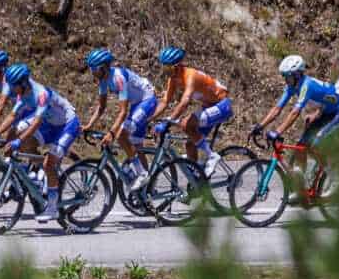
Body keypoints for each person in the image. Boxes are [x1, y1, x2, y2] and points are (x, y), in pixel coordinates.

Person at [0, 61, 79, 218]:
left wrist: (17, 141)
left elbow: (36, 123)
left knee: (50, 162)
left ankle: (53, 207)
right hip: (51, 124)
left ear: (23, 83)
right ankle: (39, 173)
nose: (12, 90)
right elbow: (12, 116)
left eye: (14, 86)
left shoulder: (41, 94)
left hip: (67, 124)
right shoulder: (23, 94)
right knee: (27, 143)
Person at [257, 53, 339, 198]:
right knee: (301, 148)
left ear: (298, 74)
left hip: (338, 111)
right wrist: (260, 126)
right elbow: (277, 108)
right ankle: (301, 189)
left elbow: (295, 112)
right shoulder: (292, 86)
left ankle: (334, 176)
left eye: (288, 76)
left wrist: (278, 131)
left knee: (315, 144)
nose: (286, 80)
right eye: (284, 76)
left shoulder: (307, 85)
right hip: (324, 111)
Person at [78, 48, 161, 187]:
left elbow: (123, 111)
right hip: (137, 103)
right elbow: (101, 107)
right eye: (91, 70)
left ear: (104, 67)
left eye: (95, 70)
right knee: (135, 145)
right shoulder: (103, 80)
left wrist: (111, 133)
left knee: (122, 136)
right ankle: (148, 186)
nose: (93, 73)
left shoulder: (118, 78)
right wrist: (88, 125)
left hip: (147, 100)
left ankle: (142, 174)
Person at [153, 46, 233, 175]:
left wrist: (168, 122)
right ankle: (197, 176)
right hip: (209, 107)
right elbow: (164, 102)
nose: (165, 71)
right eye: (163, 67)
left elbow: (185, 102)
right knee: (190, 145)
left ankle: (212, 156)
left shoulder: (191, 75)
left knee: (186, 124)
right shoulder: (173, 79)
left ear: (177, 66)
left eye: (167, 67)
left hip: (222, 105)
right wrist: (149, 119)